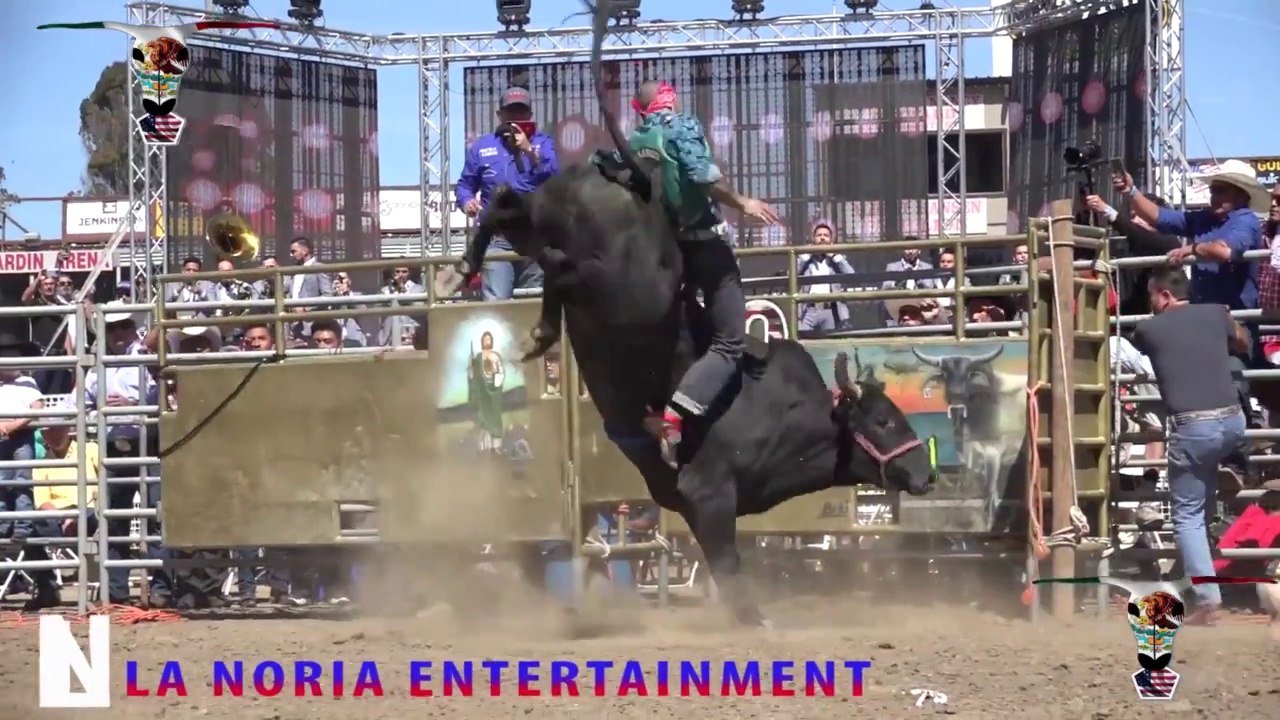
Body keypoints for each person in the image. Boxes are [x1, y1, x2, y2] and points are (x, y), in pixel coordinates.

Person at [625, 80, 779, 468]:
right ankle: (673, 420)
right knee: (729, 341)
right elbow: (702, 176)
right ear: (669, 100)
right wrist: (742, 202)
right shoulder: (680, 126)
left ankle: (653, 403)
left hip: (670, 250)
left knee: (686, 330)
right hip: (706, 245)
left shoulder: (637, 138)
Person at [1130, 267, 1249, 624]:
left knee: (1187, 518)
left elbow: (1141, 347)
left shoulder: (1149, 328)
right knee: (1203, 499)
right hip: (1232, 420)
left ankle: (1208, 599)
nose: (1150, 304)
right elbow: (1242, 342)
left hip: (1193, 426)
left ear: (1164, 296)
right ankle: (1234, 464)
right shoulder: (1216, 313)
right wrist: (1225, 322)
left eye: (1152, 297)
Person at [456, 87, 558, 300]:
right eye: (510, 112)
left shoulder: (543, 143)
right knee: (496, 302)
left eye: (521, 112)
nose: (515, 118)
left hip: (535, 235)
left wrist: (529, 151)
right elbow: (465, 185)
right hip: (498, 236)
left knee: (533, 302)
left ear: (530, 115)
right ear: (499, 115)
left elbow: (555, 177)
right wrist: (467, 202)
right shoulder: (482, 147)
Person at [795, 222, 854, 332]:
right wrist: (807, 254)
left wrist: (834, 256)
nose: (822, 238)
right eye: (819, 235)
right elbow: (791, 274)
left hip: (830, 311)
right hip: (807, 311)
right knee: (803, 343)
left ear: (831, 241)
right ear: (813, 240)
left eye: (826, 236)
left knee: (829, 346)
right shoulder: (806, 261)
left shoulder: (837, 260)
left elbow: (852, 276)